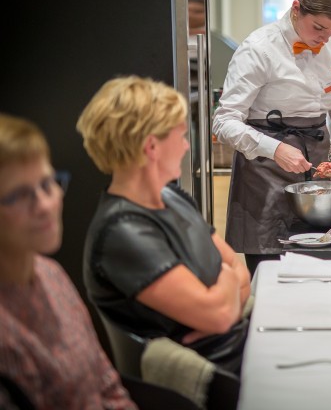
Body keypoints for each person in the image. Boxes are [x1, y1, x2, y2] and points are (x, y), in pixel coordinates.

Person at [77, 77, 251, 377]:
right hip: (218, 376)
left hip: (239, 349)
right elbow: (221, 314)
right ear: (152, 146)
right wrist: (227, 277)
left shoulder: (171, 196)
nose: (186, 146)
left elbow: (240, 272)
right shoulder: (124, 232)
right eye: (182, 134)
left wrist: (225, 286)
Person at [212, 0, 331, 272]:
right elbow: (223, 121)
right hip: (264, 170)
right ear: (296, 8)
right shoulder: (258, 49)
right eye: (319, 28)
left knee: (322, 270)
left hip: (318, 175)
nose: (326, 39)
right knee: (270, 270)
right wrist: (276, 149)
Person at [0, 113, 136, 409]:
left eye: (48, 183)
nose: (45, 205)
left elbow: (106, 382)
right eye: (19, 195)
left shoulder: (50, 273)